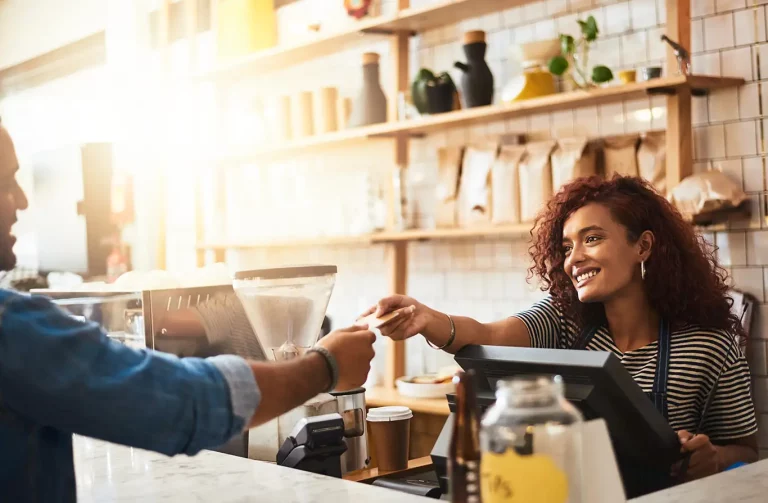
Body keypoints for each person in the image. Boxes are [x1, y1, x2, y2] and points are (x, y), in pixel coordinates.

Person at [0, 123, 376, 502]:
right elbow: (179, 400)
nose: (23, 201)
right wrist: (324, 366)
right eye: (7, 183)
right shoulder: (9, 328)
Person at [365, 176, 758, 488]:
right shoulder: (563, 321)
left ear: (643, 247)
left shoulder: (711, 344)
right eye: (568, 246)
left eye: (593, 239)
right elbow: (487, 336)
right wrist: (428, 320)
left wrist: (715, 459)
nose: (575, 259)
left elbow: (747, 453)